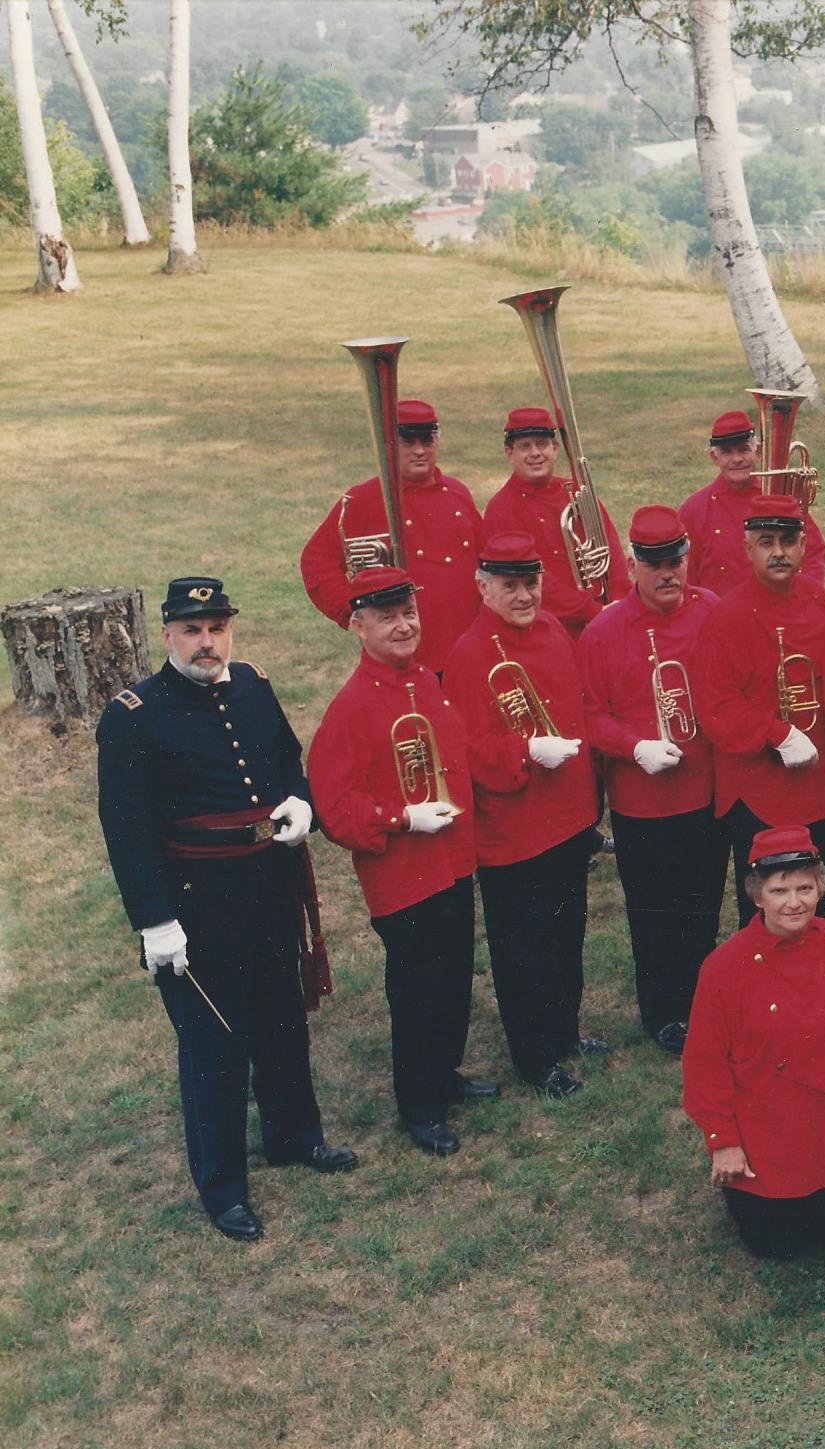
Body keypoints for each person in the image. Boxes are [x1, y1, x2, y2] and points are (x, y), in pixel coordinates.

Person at [96, 577, 352, 1241]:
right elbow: (127, 830)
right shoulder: (132, 715)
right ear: (167, 635)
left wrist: (300, 801)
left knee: (281, 1022)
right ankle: (222, 1188)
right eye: (192, 630)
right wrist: (155, 922)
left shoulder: (253, 685)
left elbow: (287, 759)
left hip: (267, 887)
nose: (207, 642)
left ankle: (295, 1138)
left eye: (216, 628)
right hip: (195, 903)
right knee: (214, 1048)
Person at [308, 566, 499, 1155]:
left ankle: (443, 1074)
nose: (403, 625)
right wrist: (399, 818)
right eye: (386, 617)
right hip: (403, 874)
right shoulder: (351, 706)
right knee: (419, 989)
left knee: (453, 978)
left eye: (408, 613)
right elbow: (336, 809)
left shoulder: (424, 683)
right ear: (358, 626)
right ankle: (420, 1106)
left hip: (451, 861)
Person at [681, 826, 825, 1258]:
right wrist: (724, 1143)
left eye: (805, 888)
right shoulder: (724, 968)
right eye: (779, 890)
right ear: (757, 896)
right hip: (771, 1139)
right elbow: (705, 1065)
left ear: (820, 889)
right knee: (777, 1245)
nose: (794, 902)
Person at [442, 531, 601, 1097]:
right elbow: (463, 755)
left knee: (567, 931)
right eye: (509, 586)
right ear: (484, 587)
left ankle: (564, 1033)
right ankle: (535, 1057)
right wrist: (525, 750)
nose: (524, 595)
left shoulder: (554, 629)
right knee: (525, 946)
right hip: (515, 827)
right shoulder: (468, 655)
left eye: (531, 583)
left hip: (567, 813)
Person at [579, 505, 727, 1052]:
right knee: (654, 911)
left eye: (677, 562)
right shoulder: (603, 631)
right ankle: (662, 1010)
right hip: (643, 802)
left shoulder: (711, 609)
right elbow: (588, 713)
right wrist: (633, 746)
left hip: (706, 791)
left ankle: (704, 1003)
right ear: (633, 565)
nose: (669, 574)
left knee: (704, 902)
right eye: (656, 564)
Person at [694, 492, 825, 926]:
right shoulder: (727, 616)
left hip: (816, 778)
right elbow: (716, 706)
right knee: (768, 912)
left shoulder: (817, 598)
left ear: (803, 546)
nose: (778, 551)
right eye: (766, 541)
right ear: (748, 548)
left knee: (813, 901)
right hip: (760, 787)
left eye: (787, 540)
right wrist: (775, 733)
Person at [299, 398, 484, 673]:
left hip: (469, 650)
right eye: (408, 442)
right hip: (404, 657)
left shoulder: (458, 493)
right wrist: (356, 610)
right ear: (389, 446)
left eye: (427, 441)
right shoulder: (365, 498)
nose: (419, 451)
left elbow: (487, 564)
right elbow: (317, 560)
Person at [481, 405, 630, 638]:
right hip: (550, 629)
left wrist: (619, 605)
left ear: (555, 448)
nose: (535, 453)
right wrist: (594, 610)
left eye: (541, 444)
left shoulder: (578, 493)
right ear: (509, 453)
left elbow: (610, 551)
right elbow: (533, 582)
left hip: (609, 618)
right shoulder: (501, 509)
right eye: (524, 447)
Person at [676, 408, 825, 596]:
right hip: (719, 614)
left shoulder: (778, 496)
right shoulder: (694, 509)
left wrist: (804, 598)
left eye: (743, 450)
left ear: (758, 451)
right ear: (714, 457)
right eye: (727, 452)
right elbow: (685, 574)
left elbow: (813, 554)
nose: (737, 459)